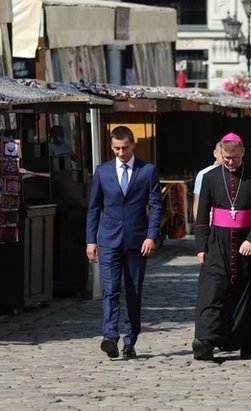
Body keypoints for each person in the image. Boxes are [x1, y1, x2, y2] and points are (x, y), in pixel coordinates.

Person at [192, 133, 251, 361]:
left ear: (242, 153)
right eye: (226, 158)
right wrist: (201, 247)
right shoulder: (210, 177)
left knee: (245, 296)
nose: (230, 162)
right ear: (220, 153)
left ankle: (244, 343)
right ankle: (205, 341)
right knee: (212, 292)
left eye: (234, 158)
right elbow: (201, 217)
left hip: (245, 243)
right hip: (217, 242)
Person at [86, 126, 163, 359]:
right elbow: (94, 208)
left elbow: (156, 206)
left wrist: (151, 235)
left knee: (133, 291)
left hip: (137, 241)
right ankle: (110, 337)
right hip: (109, 240)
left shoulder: (147, 171)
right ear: (111, 147)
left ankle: (130, 341)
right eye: (116, 148)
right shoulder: (102, 172)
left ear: (133, 144)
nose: (120, 152)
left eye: (125, 148)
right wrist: (91, 240)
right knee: (110, 290)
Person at [192, 142, 223, 219]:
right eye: (222, 153)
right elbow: (197, 204)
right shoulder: (203, 174)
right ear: (215, 153)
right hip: (210, 224)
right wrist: (199, 227)